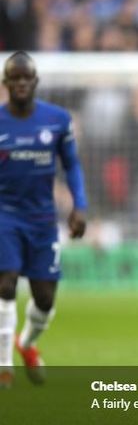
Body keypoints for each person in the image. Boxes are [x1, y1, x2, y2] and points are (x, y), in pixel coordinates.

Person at [0, 51, 88, 388]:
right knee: (5, 284)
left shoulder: (57, 120)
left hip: (42, 220)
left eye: (27, 78)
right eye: (15, 78)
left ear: (34, 82)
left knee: (45, 298)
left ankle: (27, 344)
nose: (21, 83)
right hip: (5, 216)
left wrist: (80, 205)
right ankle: (4, 366)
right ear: (6, 83)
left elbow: (72, 165)